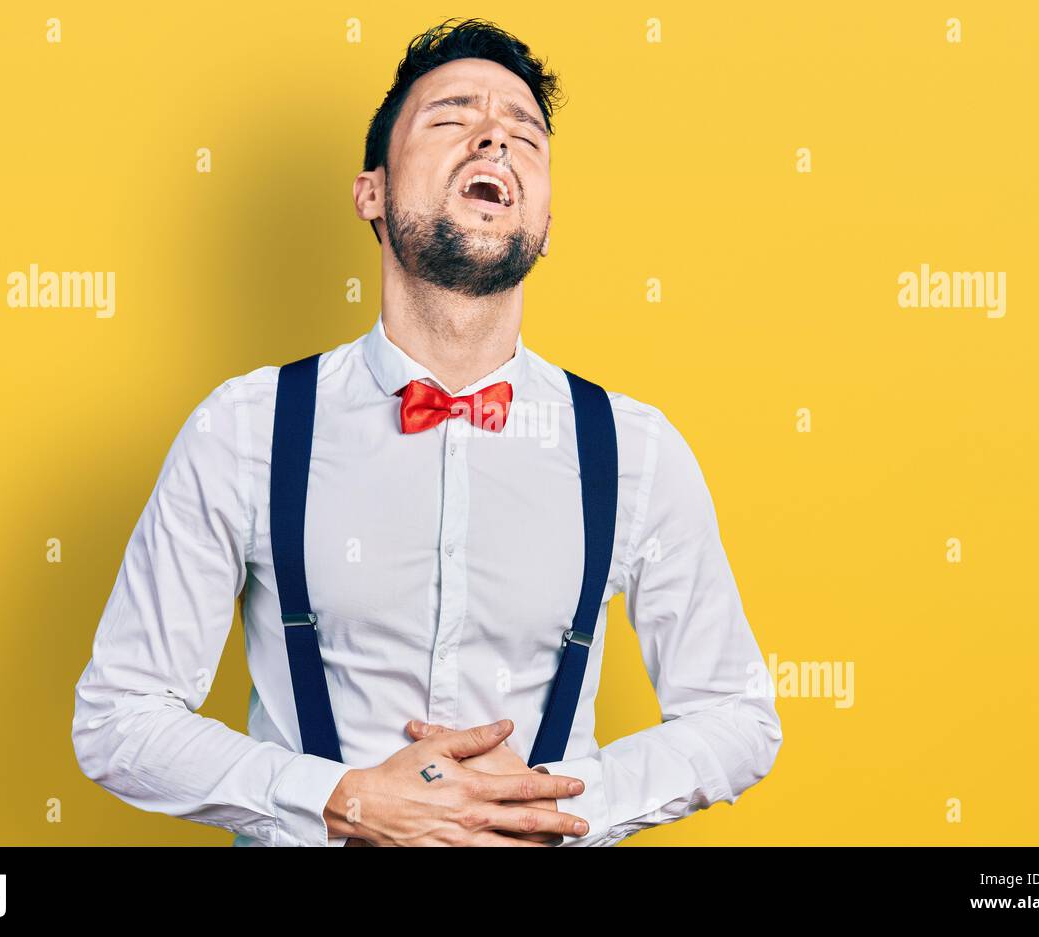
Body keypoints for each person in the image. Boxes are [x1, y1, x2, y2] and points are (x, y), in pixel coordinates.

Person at [71, 17, 782, 847]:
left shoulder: (635, 449)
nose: (494, 138)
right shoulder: (245, 429)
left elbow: (737, 716)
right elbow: (118, 716)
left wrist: (563, 805)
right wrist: (335, 798)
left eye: (525, 134)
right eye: (451, 117)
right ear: (370, 192)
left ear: (546, 223)